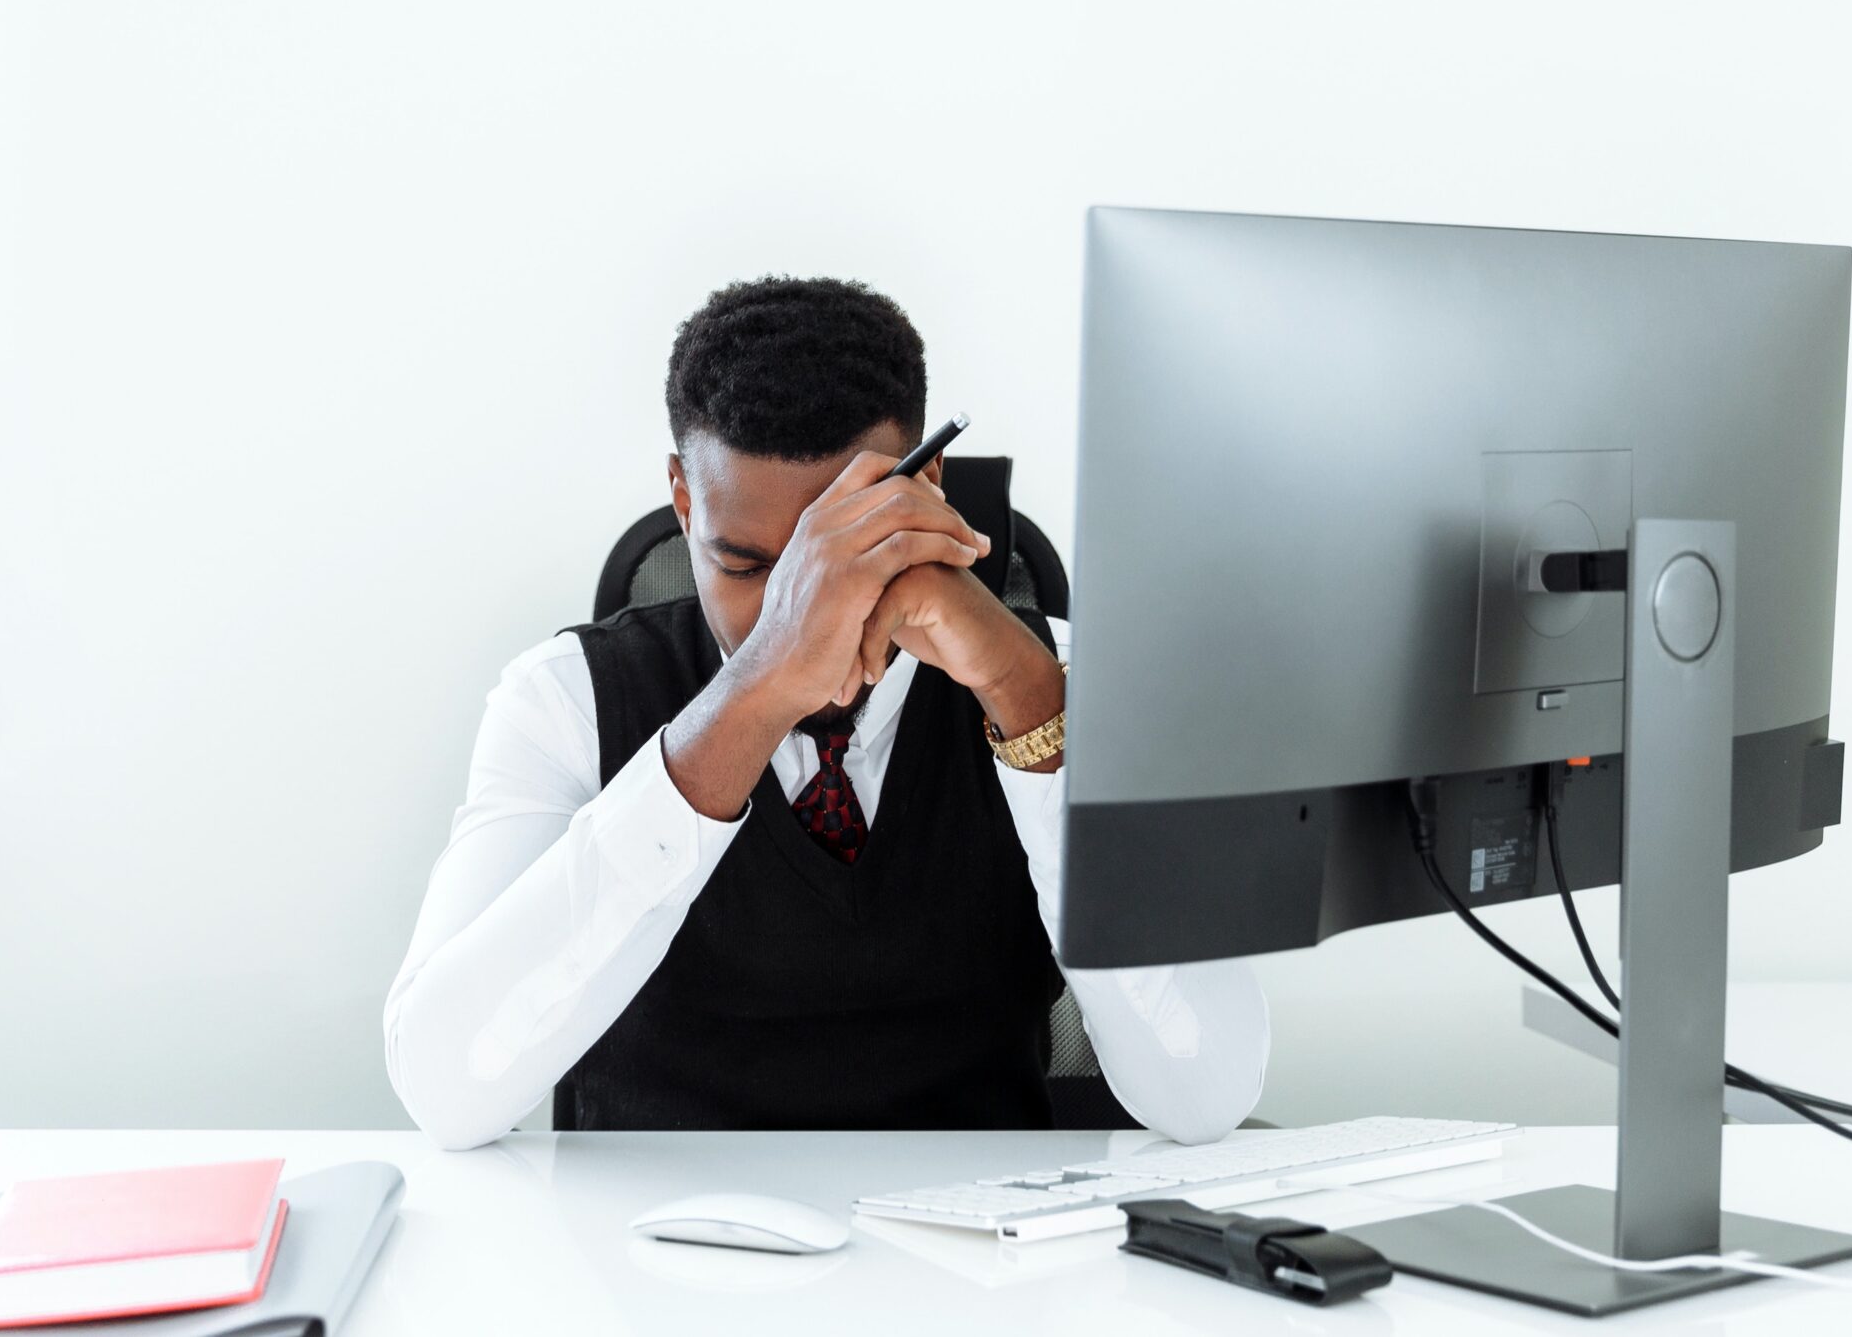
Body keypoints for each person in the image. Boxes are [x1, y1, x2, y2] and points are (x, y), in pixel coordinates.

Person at [384, 276, 1268, 1148]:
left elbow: (1207, 1095)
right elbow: (446, 1089)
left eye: (841, 554)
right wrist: (760, 686)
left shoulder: (1066, 679)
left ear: (928, 492)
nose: (799, 609)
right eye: (747, 566)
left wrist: (1031, 707)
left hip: (984, 1255)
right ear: (684, 500)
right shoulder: (564, 700)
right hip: (648, 1254)